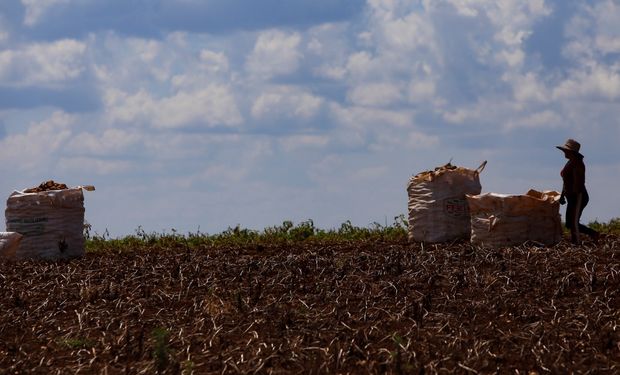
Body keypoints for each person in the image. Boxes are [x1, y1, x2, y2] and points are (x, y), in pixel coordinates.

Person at [557, 139, 599, 244]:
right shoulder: (570, 162)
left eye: (566, 151)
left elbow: (578, 183)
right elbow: (565, 181)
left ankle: (576, 243)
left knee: (573, 222)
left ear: (572, 152)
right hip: (571, 197)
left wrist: (575, 199)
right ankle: (592, 233)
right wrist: (563, 195)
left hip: (578, 196)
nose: (564, 152)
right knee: (569, 223)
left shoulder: (578, 164)